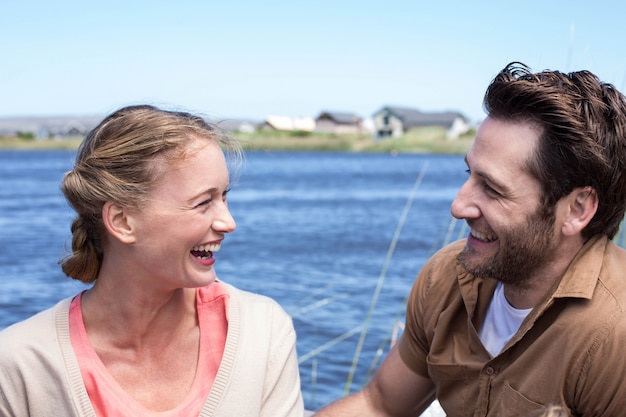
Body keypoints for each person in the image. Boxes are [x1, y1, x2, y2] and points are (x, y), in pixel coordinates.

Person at [314, 62, 626, 417]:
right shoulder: (446, 276)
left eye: (492, 189)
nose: (458, 205)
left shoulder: (614, 336)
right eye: (469, 174)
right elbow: (380, 405)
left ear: (576, 209)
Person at [0, 105, 305, 417]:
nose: (228, 222)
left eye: (224, 196)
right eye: (203, 202)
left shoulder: (262, 332)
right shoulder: (19, 364)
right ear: (122, 221)